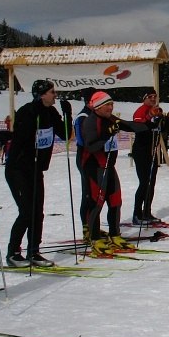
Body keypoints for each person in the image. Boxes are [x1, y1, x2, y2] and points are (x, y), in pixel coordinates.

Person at [5, 79, 72, 267]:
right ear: (42, 95)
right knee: (26, 212)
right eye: (52, 92)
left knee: (37, 213)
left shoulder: (51, 112)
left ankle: (33, 251)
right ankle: (13, 253)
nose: (55, 95)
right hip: (18, 169)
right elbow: (20, 139)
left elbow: (65, 134)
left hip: (36, 170)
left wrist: (67, 115)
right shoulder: (28, 111)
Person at [81, 92, 148, 254]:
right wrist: (107, 135)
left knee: (115, 201)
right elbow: (91, 145)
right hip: (94, 167)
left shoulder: (110, 118)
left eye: (112, 104)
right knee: (96, 203)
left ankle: (114, 234)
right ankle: (94, 238)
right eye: (107, 105)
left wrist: (150, 126)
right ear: (98, 106)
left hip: (109, 166)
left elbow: (129, 125)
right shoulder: (90, 121)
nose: (111, 108)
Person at [131, 88, 163, 224]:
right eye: (150, 96)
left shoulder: (154, 110)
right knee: (144, 182)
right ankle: (137, 214)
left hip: (151, 150)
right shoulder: (141, 111)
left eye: (154, 96)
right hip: (141, 150)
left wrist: (161, 119)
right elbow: (139, 128)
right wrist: (150, 117)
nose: (153, 99)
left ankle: (147, 212)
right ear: (144, 98)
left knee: (151, 182)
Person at [73, 87, 96, 238]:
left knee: (95, 194)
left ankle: (93, 225)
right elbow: (82, 140)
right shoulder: (83, 116)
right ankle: (87, 228)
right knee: (88, 193)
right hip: (85, 157)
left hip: (95, 158)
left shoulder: (94, 114)